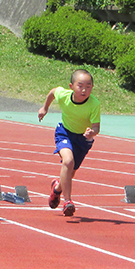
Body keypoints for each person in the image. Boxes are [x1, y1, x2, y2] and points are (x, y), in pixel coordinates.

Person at [38, 69, 100, 217]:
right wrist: (44, 108)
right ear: (71, 86)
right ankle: (68, 201)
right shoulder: (64, 95)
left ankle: (57, 189)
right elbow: (53, 92)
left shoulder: (94, 104)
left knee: (70, 172)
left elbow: (96, 126)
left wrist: (92, 132)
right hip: (64, 132)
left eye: (88, 86)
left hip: (82, 140)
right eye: (80, 86)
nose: (84, 90)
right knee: (68, 161)